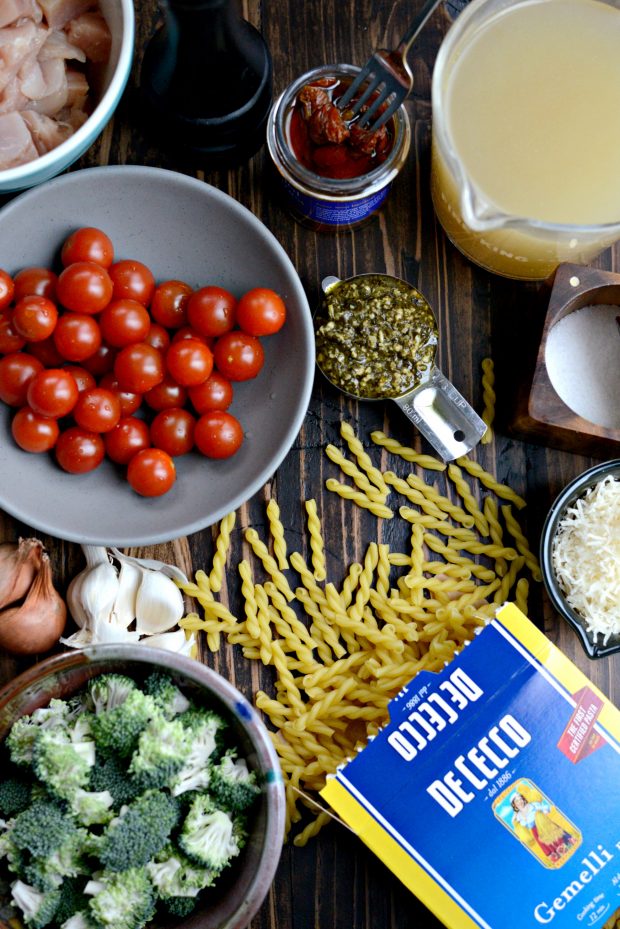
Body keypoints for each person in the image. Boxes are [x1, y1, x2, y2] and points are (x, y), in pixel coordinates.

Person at [510, 792, 575, 862]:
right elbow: (518, 824)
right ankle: (559, 858)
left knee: (557, 838)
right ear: (514, 804)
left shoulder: (532, 805)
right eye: (517, 801)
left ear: (523, 799)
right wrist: (515, 816)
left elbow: (545, 808)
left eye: (520, 799)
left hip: (545, 826)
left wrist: (543, 813)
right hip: (536, 832)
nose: (520, 802)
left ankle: (570, 850)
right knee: (547, 846)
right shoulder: (519, 816)